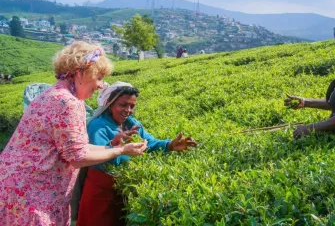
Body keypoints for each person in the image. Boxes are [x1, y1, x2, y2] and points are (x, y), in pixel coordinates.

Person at [0, 42, 147, 226]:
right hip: (32, 196)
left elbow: (73, 146)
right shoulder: (67, 102)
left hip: (21, 191)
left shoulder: (55, 94)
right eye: (99, 77)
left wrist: (111, 146)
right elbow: (77, 156)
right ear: (80, 72)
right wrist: (121, 150)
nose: (101, 85)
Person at [77, 81, 198, 226]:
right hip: (100, 191)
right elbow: (98, 160)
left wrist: (170, 145)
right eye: (123, 105)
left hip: (122, 190)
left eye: (132, 106)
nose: (128, 110)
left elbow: (149, 143)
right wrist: (115, 146)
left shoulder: (130, 122)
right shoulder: (98, 126)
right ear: (110, 103)